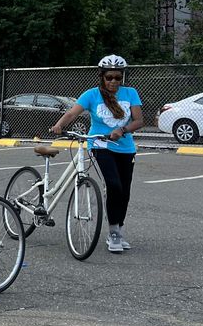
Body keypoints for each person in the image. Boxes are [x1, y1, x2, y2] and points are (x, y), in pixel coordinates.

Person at [50, 55, 143, 254]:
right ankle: (114, 233)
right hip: (100, 145)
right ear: (102, 76)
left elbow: (138, 120)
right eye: (109, 77)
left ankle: (117, 229)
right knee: (114, 185)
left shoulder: (130, 93)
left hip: (126, 148)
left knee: (124, 191)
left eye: (118, 77)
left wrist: (123, 130)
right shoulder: (91, 95)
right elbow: (72, 113)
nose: (113, 82)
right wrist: (59, 125)